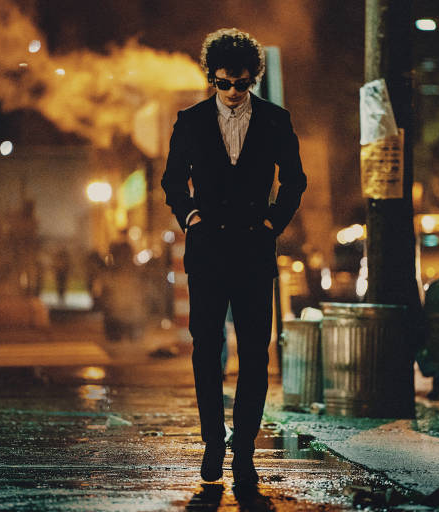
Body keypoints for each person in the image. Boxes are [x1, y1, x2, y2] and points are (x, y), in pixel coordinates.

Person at [161, 28, 306, 486]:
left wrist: (272, 222)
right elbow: (171, 181)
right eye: (223, 83)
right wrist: (190, 216)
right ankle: (212, 445)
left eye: (241, 83)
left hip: (253, 248)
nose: (232, 92)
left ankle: (243, 450)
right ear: (212, 77)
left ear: (253, 79)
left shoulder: (275, 120)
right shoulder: (190, 120)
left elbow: (295, 180)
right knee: (206, 350)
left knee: (255, 354)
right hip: (207, 250)